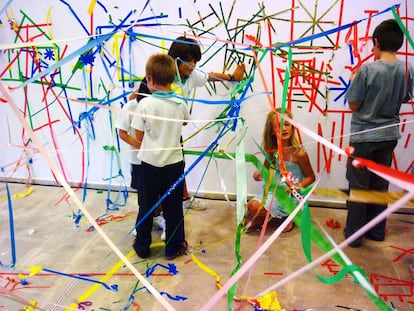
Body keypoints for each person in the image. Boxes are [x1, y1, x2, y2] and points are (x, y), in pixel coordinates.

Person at [344, 19, 413, 248]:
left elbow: (353, 105)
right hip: (388, 137)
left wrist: (353, 81)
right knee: (379, 185)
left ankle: (354, 235)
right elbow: (405, 98)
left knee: (359, 186)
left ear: (376, 41)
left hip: (363, 137)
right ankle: (376, 231)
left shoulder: (367, 69)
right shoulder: (407, 68)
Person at [166, 36, 245, 209]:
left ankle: (184, 199)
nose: (193, 65)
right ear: (176, 59)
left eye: (195, 61)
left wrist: (232, 77)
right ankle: (160, 214)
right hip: (159, 134)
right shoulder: (165, 77)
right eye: (189, 61)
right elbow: (140, 93)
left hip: (175, 132)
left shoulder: (190, 75)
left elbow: (209, 76)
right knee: (164, 174)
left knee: (178, 165)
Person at [130, 53, 190, 260]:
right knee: (173, 208)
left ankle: (142, 246)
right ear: (172, 79)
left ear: (150, 79)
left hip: (150, 164)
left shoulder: (144, 104)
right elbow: (184, 123)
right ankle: (173, 247)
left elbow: (139, 135)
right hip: (174, 164)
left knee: (146, 206)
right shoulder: (180, 103)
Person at [243, 109, 315, 232]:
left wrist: (295, 187)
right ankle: (278, 218)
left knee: (253, 210)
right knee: (250, 210)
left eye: (287, 124)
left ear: (292, 127)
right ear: (271, 131)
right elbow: (265, 171)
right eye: (279, 126)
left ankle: (287, 215)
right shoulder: (271, 151)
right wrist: (259, 174)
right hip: (272, 191)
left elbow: (311, 177)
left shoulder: (299, 153)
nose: (284, 129)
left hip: (290, 195)